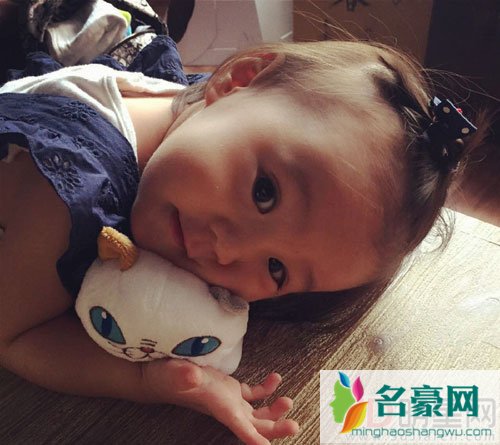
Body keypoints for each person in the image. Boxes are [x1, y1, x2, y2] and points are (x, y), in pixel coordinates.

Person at [0, 39, 482, 444]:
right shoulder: (62, 188)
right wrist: (145, 380)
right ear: (237, 80)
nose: (228, 251)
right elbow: (15, 337)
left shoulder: (206, 120)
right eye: (264, 193)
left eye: (276, 268)